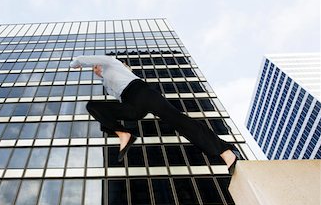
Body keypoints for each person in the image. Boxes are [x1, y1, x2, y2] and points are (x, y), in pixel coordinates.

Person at [70, 55, 241, 173]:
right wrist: (102, 78)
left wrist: (76, 63)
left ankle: (225, 152)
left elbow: (88, 59)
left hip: (142, 92)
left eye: (97, 66)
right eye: (96, 68)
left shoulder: (112, 63)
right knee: (94, 106)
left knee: (179, 121)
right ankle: (124, 133)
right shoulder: (107, 81)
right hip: (131, 103)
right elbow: (117, 98)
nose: (97, 68)